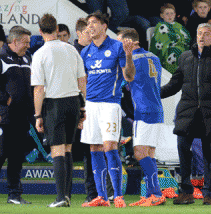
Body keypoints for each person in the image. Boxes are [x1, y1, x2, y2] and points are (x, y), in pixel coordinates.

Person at [161, 23, 211, 205]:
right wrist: (155, 94)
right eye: (199, 33)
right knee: (183, 149)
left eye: (206, 34)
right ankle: (186, 192)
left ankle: (208, 193)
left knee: (209, 152)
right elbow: (174, 84)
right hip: (187, 112)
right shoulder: (185, 57)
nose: (202, 37)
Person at [80, 11, 136, 208]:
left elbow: (128, 77)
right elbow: (83, 81)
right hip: (91, 105)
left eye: (94, 22)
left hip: (110, 104)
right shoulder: (85, 52)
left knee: (110, 147)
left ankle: (118, 196)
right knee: (94, 148)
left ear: (104, 26)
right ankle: (102, 197)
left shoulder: (117, 47)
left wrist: (129, 56)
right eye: (88, 23)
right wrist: (82, 106)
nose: (90, 26)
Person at [31, 13, 87, 207]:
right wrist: (83, 106)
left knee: (57, 150)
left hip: (54, 104)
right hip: (73, 101)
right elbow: (82, 80)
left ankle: (60, 197)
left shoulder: (40, 54)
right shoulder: (72, 50)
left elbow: (39, 88)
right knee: (68, 148)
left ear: (40, 31)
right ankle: (67, 195)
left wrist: (38, 115)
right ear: (56, 29)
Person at [117, 29, 166, 207]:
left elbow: (128, 76)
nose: (118, 46)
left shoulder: (132, 58)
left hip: (143, 111)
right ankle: (154, 194)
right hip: (156, 109)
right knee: (149, 154)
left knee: (139, 152)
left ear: (129, 42)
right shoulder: (153, 57)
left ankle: (156, 193)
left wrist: (127, 57)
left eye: (120, 42)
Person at [0, 26, 32, 205]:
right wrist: (5, 100)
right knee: (1, 154)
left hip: (22, 118)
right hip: (4, 117)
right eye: (25, 42)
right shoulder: (1, 57)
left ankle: (14, 195)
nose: (28, 45)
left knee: (16, 158)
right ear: (14, 41)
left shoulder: (27, 58)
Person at [73, 17, 98, 203]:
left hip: (95, 107)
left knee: (94, 151)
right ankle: (64, 194)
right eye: (87, 32)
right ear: (79, 33)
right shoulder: (72, 53)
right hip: (76, 108)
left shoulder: (95, 51)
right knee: (67, 152)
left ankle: (95, 194)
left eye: (92, 31)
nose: (91, 35)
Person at [149, 3, 191, 74]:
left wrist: (181, 43)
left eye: (172, 13)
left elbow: (187, 37)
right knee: (176, 51)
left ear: (175, 14)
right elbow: (160, 39)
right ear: (162, 15)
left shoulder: (179, 26)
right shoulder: (161, 26)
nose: (170, 16)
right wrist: (174, 42)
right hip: (168, 49)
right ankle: (174, 76)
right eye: (167, 14)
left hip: (182, 47)